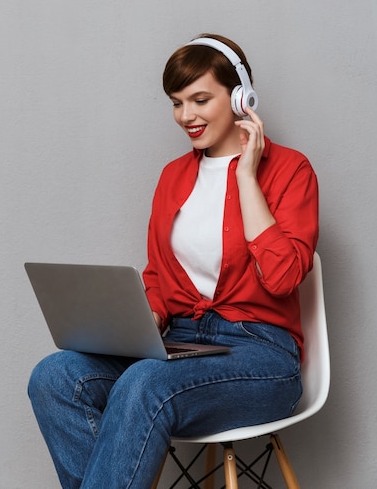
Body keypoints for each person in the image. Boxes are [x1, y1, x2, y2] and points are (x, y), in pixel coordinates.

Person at [28, 33, 319, 489]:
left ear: (241, 97)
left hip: (262, 356)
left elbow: (282, 278)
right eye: (177, 103)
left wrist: (247, 175)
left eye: (200, 99)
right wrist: (144, 319)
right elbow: (158, 277)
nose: (187, 116)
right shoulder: (173, 176)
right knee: (55, 376)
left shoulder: (290, 170)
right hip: (179, 345)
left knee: (146, 382)